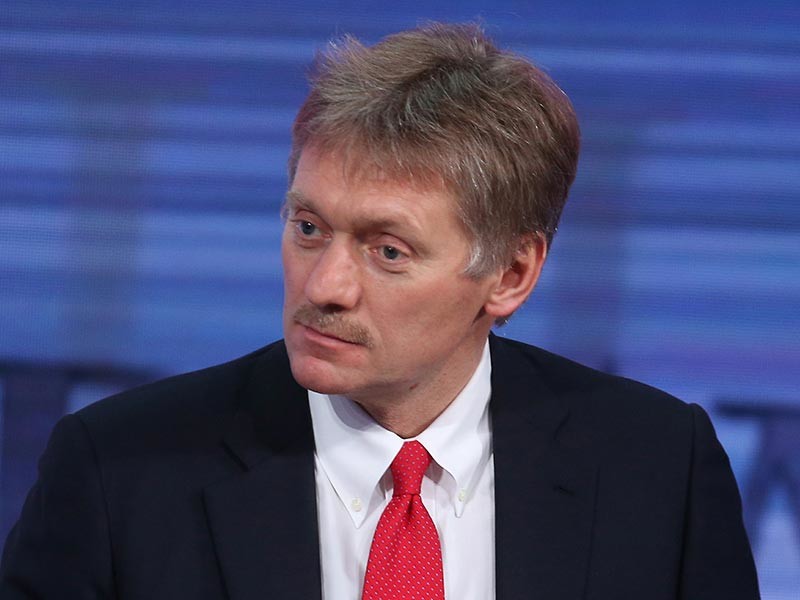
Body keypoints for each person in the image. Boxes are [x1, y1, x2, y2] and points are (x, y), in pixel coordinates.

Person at [1, 22, 759, 600]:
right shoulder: (118, 470)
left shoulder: (658, 470)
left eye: (388, 250)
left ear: (511, 274)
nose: (325, 286)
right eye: (308, 228)